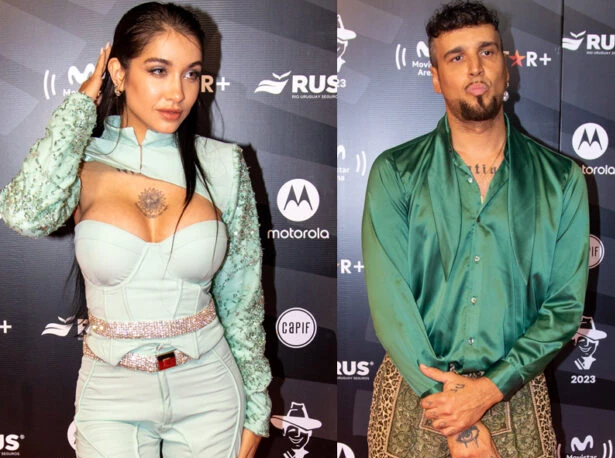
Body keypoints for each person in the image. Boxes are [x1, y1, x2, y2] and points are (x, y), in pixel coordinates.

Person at [0, 3, 271, 457]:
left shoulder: (223, 165)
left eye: (191, 74)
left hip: (210, 391)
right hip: (111, 395)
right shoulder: (81, 161)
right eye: (158, 70)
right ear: (118, 73)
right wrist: (78, 108)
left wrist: (257, 406)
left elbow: (242, 294)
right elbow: (26, 214)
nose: (178, 92)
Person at [361, 1, 589, 457]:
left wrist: (488, 390)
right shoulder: (396, 172)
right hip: (416, 396)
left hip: (516, 397)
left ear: (506, 67)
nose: (475, 68)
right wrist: (454, 417)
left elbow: (564, 307)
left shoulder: (561, 180)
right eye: (456, 57)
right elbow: (391, 304)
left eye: (487, 52)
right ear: (435, 77)